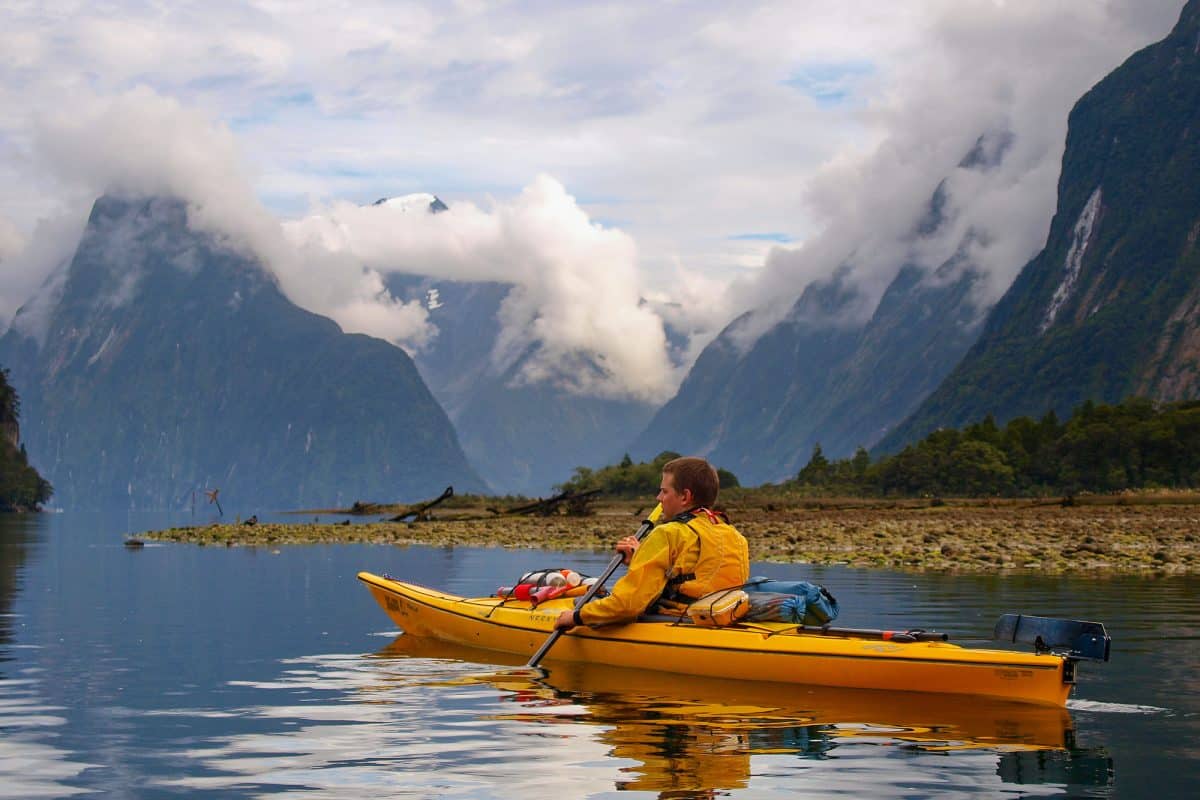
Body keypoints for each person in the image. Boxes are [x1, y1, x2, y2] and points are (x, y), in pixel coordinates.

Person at [555, 456, 749, 630]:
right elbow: (697, 573)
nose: (659, 498)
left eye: (664, 491)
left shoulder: (667, 533)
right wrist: (641, 556)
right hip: (723, 613)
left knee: (583, 602)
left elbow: (628, 605)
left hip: (681, 618)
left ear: (685, 497)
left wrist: (577, 617)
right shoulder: (733, 534)